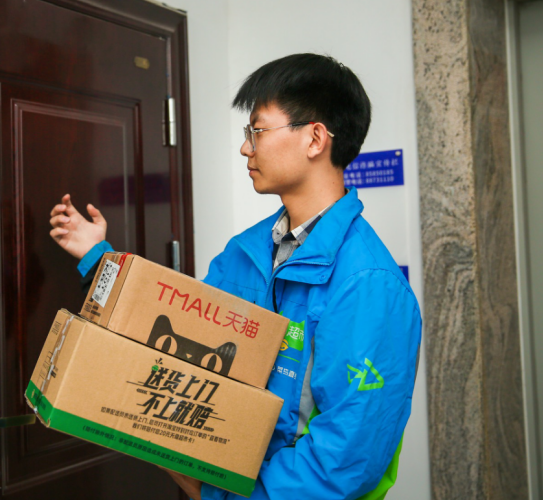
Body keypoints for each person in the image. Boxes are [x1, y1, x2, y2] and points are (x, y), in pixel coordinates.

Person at [48, 54, 421, 500]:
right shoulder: (246, 251)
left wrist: (223, 495)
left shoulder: (369, 284)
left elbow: (346, 459)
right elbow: (174, 339)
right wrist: (99, 258)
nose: (246, 148)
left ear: (315, 138)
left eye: (257, 131)